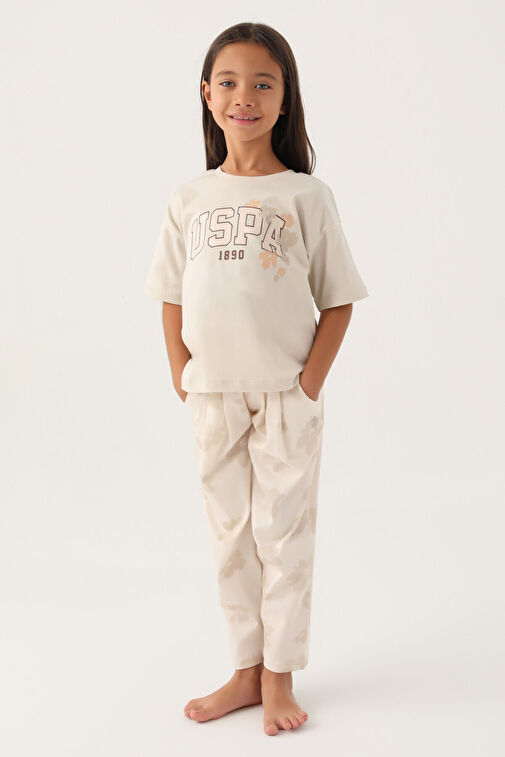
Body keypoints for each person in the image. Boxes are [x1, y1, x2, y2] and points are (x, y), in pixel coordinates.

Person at [144, 22, 369, 736]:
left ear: (284, 99)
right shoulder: (189, 198)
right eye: (230, 82)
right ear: (207, 95)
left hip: (283, 396)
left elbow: (338, 298)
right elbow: (170, 291)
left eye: (263, 83)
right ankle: (244, 669)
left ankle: (280, 674)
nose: (245, 96)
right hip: (213, 393)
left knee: (283, 535)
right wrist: (181, 371)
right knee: (230, 537)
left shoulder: (306, 195)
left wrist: (307, 384)